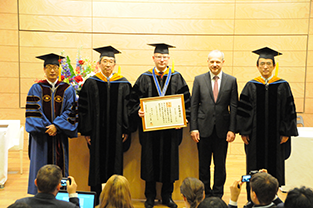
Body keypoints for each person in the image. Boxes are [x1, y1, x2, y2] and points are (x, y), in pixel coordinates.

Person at [130, 43, 191, 208]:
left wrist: (182, 119)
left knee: (169, 163)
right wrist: (138, 112)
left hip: (171, 131)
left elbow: (187, 102)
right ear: (153, 58)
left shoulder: (177, 77)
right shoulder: (144, 78)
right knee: (149, 162)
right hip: (150, 132)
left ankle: (167, 196)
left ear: (169, 58)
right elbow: (132, 101)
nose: (162, 60)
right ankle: (149, 196)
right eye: (159, 57)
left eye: (164, 57)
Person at [237, 47, 298, 200]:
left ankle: (273, 199)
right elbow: (243, 111)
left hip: (276, 138)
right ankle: (252, 199)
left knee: (275, 168)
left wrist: (285, 132)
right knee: (253, 169)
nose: (265, 67)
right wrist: (244, 131)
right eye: (262, 63)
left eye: (269, 64)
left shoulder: (283, 85)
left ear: (274, 66)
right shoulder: (251, 85)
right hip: (255, 138)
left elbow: (288, 110)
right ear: (257, 66)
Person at [78, 46, 132, 203]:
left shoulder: (123, 83)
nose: (108, 65)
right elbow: (84, 108)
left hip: (116, 134)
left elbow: (129, 108)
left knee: (115, 165)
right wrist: (87, 131)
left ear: (115, 64)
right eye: (105, 61)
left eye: (111, 62)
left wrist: (125, 129)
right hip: (96, 134)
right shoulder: (90, 83)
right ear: (99, 63)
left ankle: (115, 198)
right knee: (96, 165)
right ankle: (95, 198)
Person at [25, 53, 78, 194]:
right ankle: (39, 196)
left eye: (55, 67)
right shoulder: (36, 88)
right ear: (44, 69)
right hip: (41, 138)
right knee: (40, 167)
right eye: (49, 67)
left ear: (60, 69)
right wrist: (48, 127)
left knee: (61, 169)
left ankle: (60, 195)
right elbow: (34, 112)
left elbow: (71, 110)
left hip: (59, 136)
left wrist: (57, 126)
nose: (52, 70)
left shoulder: (68, 89)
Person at [190, 50, 238, 198]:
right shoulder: (199, 80)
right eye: (212, 61)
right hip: (203, 130)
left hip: (222, 131)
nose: (215, 64)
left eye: (218, 61)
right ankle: (205, 194)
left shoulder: (231, 81)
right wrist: (194, 128)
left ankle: (217, 195)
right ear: (208, 62)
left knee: (220, 166)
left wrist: (232, 129)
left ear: (223, 62)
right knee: (203, 166)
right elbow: (194, 105)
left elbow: (234, 106)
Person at [16, 164, 80, 208]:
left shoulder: (20, 204)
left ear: (36, 182)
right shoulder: (67, 206)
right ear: (58, 187)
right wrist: (72, 195)